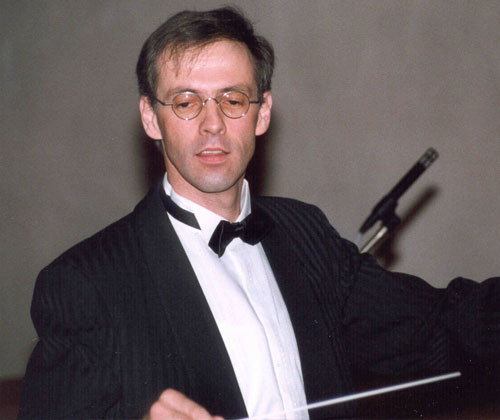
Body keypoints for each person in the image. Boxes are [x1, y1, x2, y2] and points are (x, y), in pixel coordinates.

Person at [18, 7, 499, 420]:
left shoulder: (305, 234)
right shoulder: (85, 283)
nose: (212, 124)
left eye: (233, 100)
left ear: (262, 112)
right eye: (186, 102)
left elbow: (440, 326)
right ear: (151, 117)